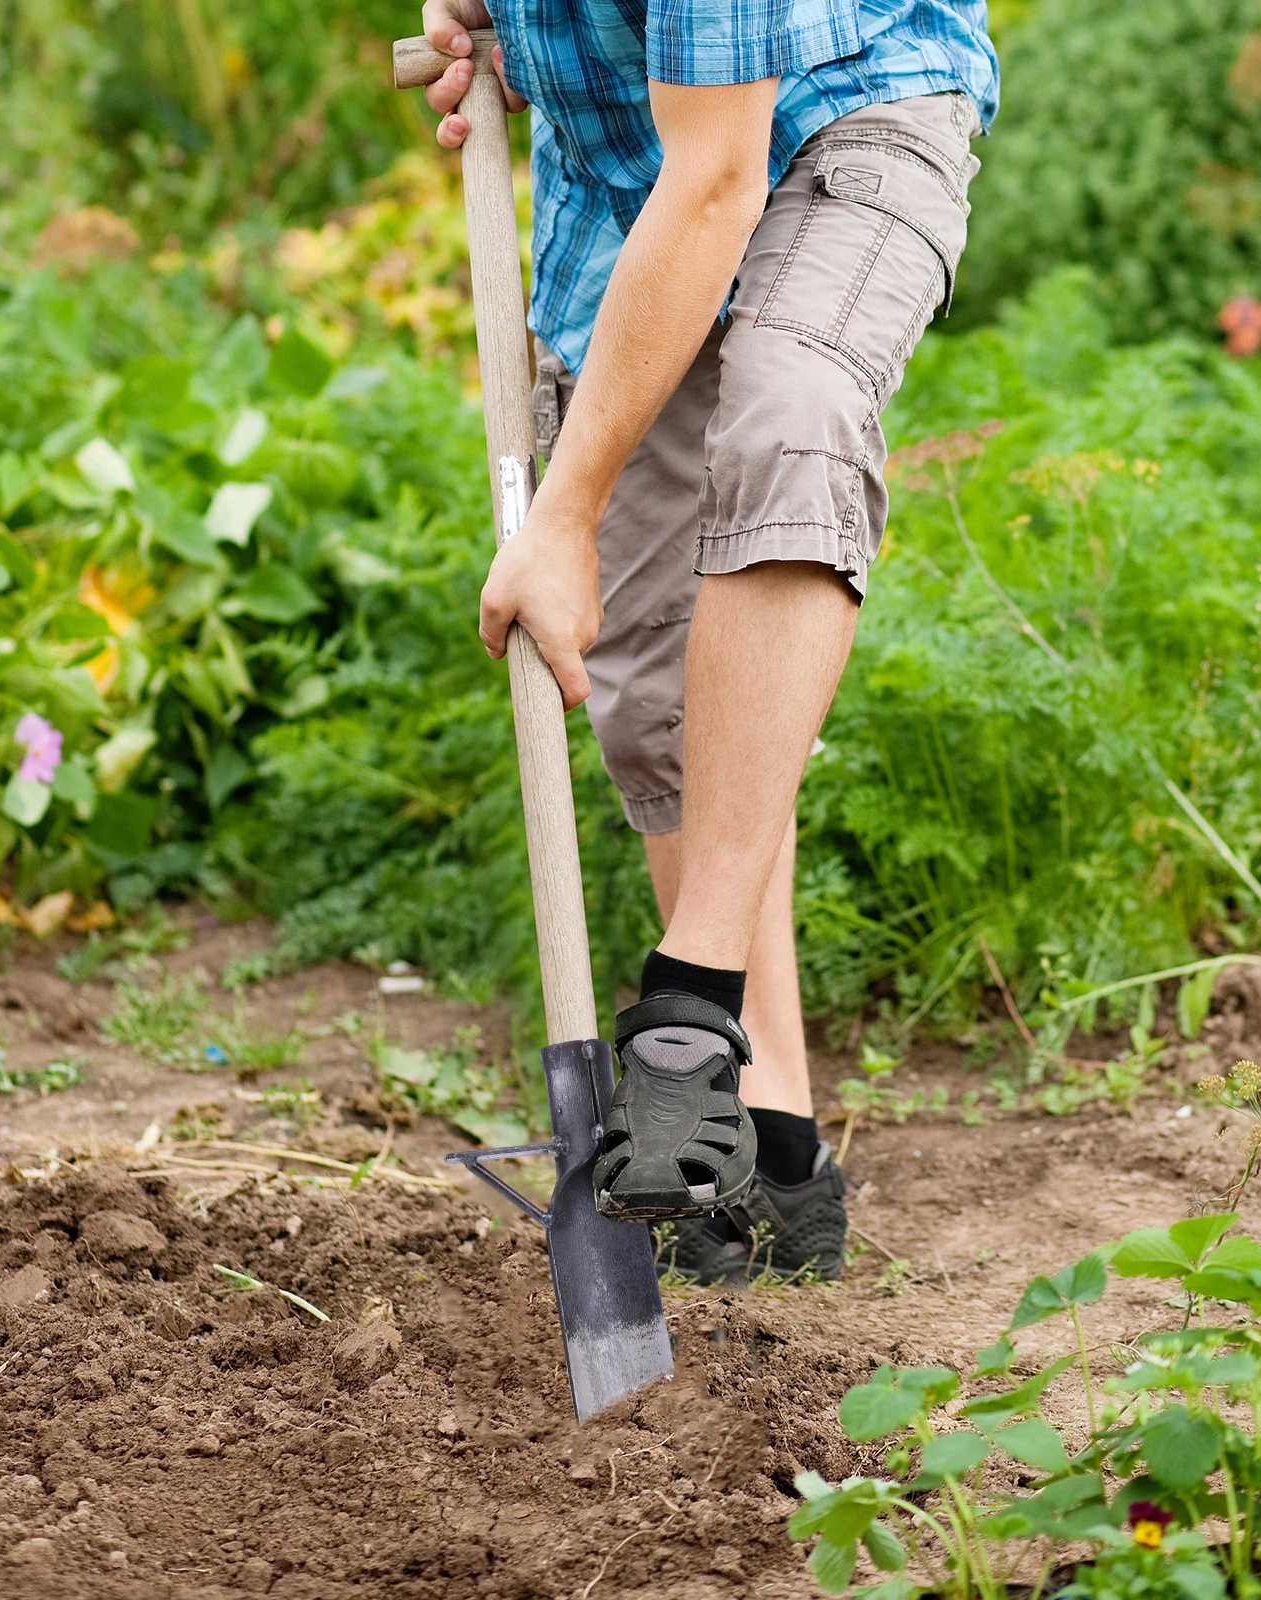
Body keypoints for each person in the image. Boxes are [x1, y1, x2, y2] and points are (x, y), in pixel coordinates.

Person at [416, 0, 998, 1284]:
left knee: (790, 419)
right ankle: (770, 1121)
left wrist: (564, 513)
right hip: (630, 185)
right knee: (650, 691)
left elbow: (722, 174)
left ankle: (686, 1019)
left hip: (842, 110)